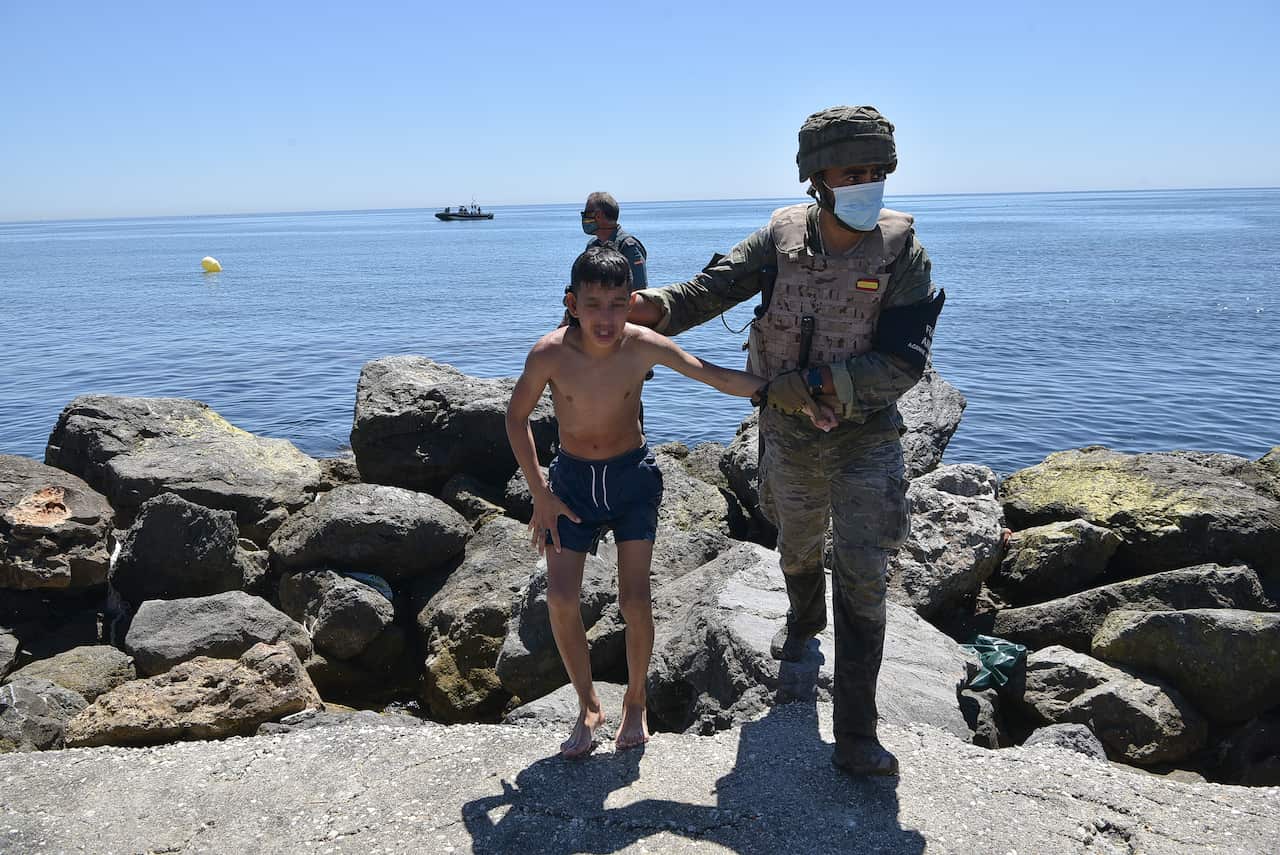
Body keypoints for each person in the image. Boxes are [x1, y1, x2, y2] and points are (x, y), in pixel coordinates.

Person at [626, 105, 946, 777]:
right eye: (851, 171)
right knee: (798, 542)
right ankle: (804, 622)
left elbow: (903, 362)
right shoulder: (780, 240)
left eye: (874, 171)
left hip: (866, 436)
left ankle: (857, 732)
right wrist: (632, 309)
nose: (866, 182)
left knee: (863, 573)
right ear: (817, 179)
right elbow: (701, 294)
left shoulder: (903, 254)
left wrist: (817, 383)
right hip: (789, 432)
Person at [506, 247, 818, 759]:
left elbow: (714, 375)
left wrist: (786, 392)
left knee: (634, 599)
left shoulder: (642, 345)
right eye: (593, 305)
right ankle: (587, 706)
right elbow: (515, 420)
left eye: (615, 304)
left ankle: (634, 701)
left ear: (631, 302)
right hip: (570, 486)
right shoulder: (550, 353)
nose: (605, 318)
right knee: (561, 601)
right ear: (572, 303)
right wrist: (540, 494)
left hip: (632, 481)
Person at [582, 192, 648, 290]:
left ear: (599, 215)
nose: (584, 217)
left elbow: (639, 290)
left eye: (586, 213)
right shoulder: (592, 245)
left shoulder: (628, 247)